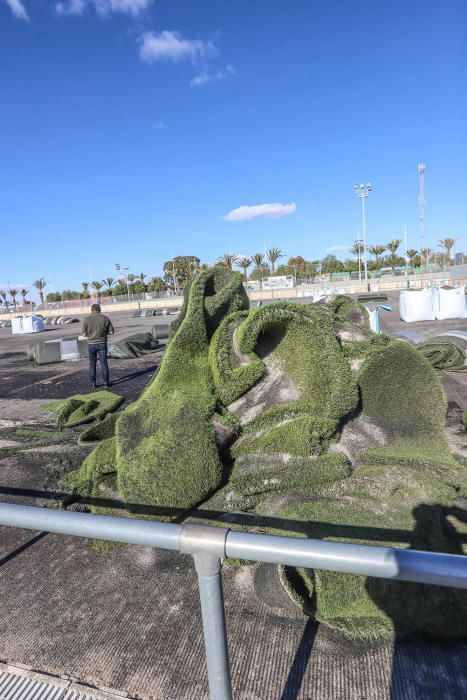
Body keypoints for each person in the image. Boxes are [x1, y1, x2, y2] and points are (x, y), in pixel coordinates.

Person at [82, 303, 114, 388]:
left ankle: (93, 383)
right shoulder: (105, 318)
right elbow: (111, 332)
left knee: (92, 364)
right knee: (104, 364)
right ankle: (106, 383)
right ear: (100, 309)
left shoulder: (86, 319)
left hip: (91, 345)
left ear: (91, 310)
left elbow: (84, 334)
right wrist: (104, 332)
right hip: (102, 344)